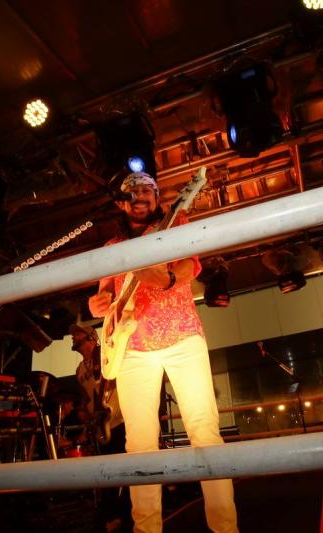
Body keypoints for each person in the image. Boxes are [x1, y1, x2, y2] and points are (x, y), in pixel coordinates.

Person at [88, 171, 238, 533]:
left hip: (183, 336)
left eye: (148, 190)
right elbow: (103, 296)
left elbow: (190, 265)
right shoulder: (112, 247)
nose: (141, 196)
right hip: (133, 348)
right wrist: (98, 303)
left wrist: (169, 279)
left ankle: (225, 528)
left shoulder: (176, 222)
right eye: (133, 192)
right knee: (138, 443)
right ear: (122, 203)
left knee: (204, 431)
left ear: (158, 197)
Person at [69, 323, 125, 453]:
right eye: (73, 335)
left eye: (78, 333)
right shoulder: (79, 369)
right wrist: (82, 410)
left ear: (91, 338)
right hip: (100, 427)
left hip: (119, 422)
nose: (73, 337)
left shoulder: (106, 356)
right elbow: (85, 396)